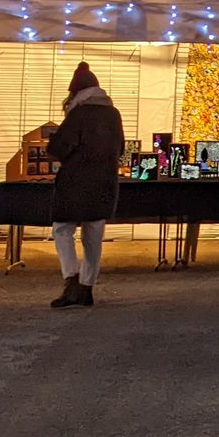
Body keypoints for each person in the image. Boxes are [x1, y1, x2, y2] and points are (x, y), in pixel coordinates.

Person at [48, 62, 125, 309]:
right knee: (93, 236)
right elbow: (120, 149)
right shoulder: (114, 114)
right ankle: (87, 286)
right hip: (104, 183)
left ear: (76, 92)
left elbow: (59, 147)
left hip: (76, 182)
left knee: (62, 229)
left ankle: (71, 279)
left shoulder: (78, 113)